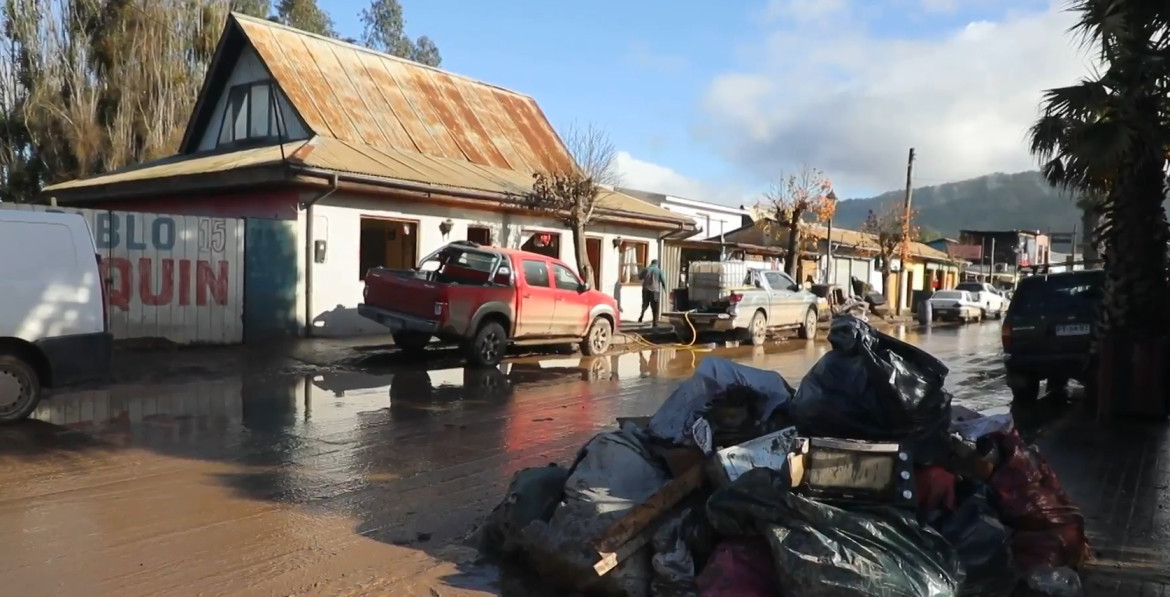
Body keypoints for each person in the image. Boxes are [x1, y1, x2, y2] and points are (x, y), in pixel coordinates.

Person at [638, 259, 667, 327]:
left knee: (645, 304)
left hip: (645, 289)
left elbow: (640, 277)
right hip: (655, 290)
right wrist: (665, 289)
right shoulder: (659, 270)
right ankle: (655, 322)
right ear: (656, 264)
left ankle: (641, 317)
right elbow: (663, 280)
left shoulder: (646, 269)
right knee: (655, 307)